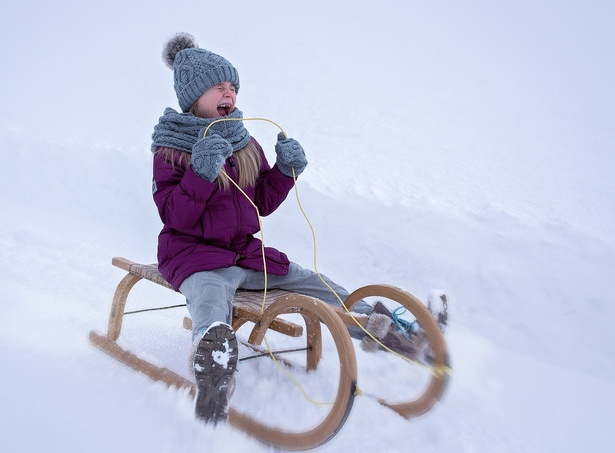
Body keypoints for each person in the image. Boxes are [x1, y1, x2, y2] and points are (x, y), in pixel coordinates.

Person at [149, 33, 433, 425]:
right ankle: (213, 364)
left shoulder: (243, 142)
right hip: (195, 258)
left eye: (233, 86)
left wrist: (285, 171)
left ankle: (388, 329)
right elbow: (174, 216)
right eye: (219, 86)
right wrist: (199, 172)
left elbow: (261, 202)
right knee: (211, 297)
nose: (228, 93)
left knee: (312, 281)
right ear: (194, 96)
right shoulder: (170, 149)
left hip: (244, 254)